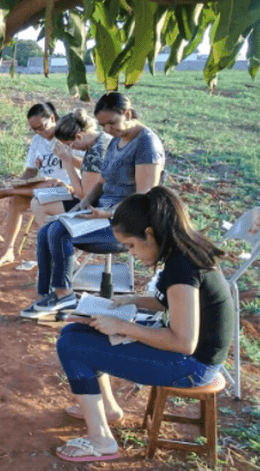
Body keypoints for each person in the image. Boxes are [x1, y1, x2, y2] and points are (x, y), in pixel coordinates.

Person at [54, 186, 234, 462]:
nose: (132, 254)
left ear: (149, 234)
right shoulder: (182, 251)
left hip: (193, 366)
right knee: (76, 331)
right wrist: (127, 301)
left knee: (70, 345)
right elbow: (168, 301)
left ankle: (101, 440)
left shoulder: (182, 267)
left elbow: (183, 342)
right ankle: (110, 410)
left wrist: (122, 326)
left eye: (131, 246)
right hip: (190, 357)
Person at [21, 93, 165, 318]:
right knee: (48, 230)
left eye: (111, 123)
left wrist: (107, 213)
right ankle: (50, 294)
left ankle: (63, 294)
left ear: (127, 114)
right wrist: (82, 207)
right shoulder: (117, 140)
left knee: (58, 233)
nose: (107, 130)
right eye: (102, 125)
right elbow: (101, 182)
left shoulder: (146, 143)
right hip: (101, 213)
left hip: (128, 221)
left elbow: (144, 197)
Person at [0, 102, 81, 269]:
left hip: (68, 190)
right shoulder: (38, 140)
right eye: (34, 129)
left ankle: (7, 191)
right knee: (16, 200)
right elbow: (31, 170)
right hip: (43, 187)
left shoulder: (68, 135)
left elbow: (85, 167)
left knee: (46, 188)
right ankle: (8, 251)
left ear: (52, 118)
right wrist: (19, 183)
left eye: (42, 127)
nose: (39, 132)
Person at [30, 109, 113, 226]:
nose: (73, 149)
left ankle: (56, 239)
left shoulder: (96, 153)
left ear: (79, 136)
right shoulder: (102, 138)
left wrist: (68, 162)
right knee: (39, 200)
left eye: (70, 145)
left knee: (39, 204)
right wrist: (70, 187)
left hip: (103, 208)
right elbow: (92, 175)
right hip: (109, 200)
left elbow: (85, 197)